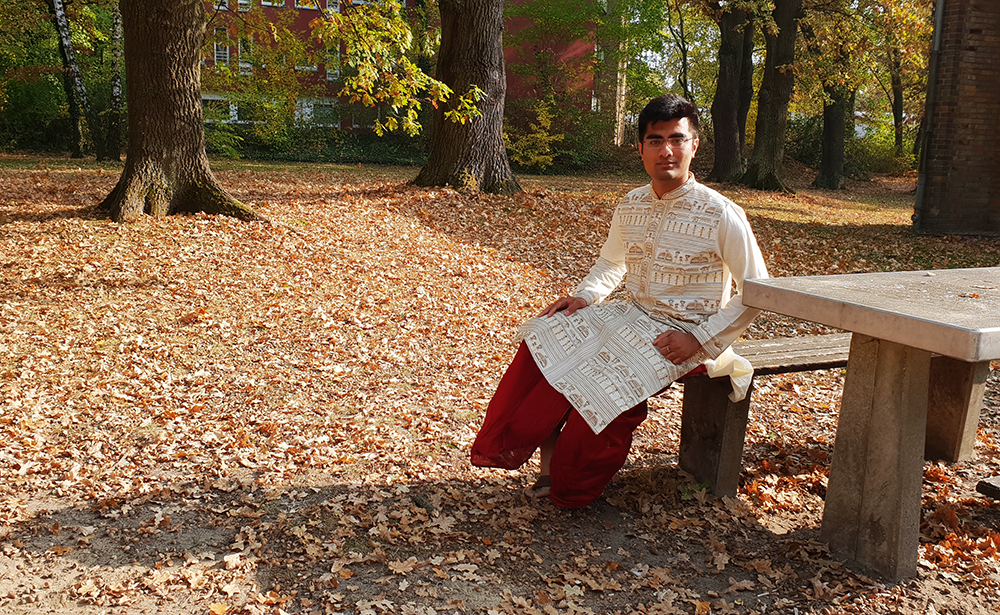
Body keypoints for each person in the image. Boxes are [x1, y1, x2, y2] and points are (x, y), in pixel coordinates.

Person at [470, 94, 769, 507]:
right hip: (630, 315)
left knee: (606, 384)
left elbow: (757, 291)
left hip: (683, 333)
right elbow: (610, 264)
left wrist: (698, 340)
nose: (666, 150)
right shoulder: (631, 204)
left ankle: (572, 486)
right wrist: (583, 297)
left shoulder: (721, 213)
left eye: (677, 139)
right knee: (547, 334)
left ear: (694, 145)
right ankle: (545, 462)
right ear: (641, 148)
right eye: (655, 140)